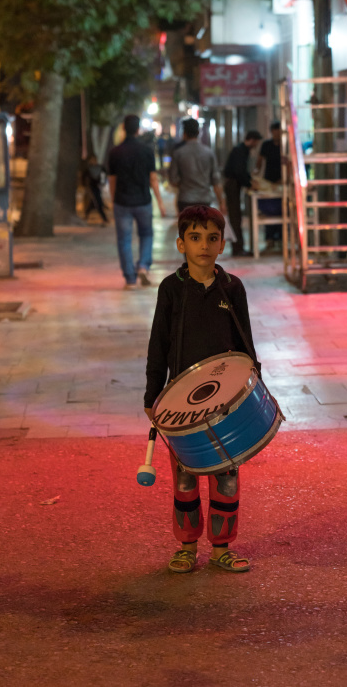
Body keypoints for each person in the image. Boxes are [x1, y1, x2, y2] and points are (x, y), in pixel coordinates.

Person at [144, 204, 261, 574]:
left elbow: (246, 341)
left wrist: (254, 381)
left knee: (226, 477)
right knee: (185, 479)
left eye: (212, 238)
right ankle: (187, 547)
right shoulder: (171, 290)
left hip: (226, 403)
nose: (204, 246)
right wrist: (152, 397)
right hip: (183, 405)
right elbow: (157, 346)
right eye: (195, 238)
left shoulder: (232, 288)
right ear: (181, 243)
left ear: (222, 244)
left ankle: (223, 547)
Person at [108, 115, 166, 290]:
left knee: (124, 240)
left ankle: (130, 279)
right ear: (138, 129)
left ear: (124, 129)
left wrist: (113, 200)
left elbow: (112, 180)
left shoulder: (115, 152)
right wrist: (160, 202)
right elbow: (153, 179)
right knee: (147, 235)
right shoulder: (147, 151)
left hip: (122, 201)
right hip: (143, 201)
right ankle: (143, 266)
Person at [168, 118, 226, 215]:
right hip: (205, 200)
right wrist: (222, 202)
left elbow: (173, 180)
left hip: (185, 199)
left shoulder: (178, 153)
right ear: (199, 133)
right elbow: (216, 181)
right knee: (203, 229)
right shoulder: (209, 153)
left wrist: (184, 185)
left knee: (187, 229)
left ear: (184, 133)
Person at [223, 130, 262, 256]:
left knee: (236, 216)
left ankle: (238, 247)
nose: (256, 146)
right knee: (235, 217)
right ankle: (237, 248)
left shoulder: (240, 150)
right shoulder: (241, 151)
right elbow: (239, 172)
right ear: (252, 140)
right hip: (232, 185)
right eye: (256, 143)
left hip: (234, 184)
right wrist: (250, 184)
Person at [255, 121, 289, 252]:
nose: (277, 134)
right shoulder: (266, 145)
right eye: (274, 131)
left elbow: (290, 163)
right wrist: (256, 175)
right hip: (268, 182)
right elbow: (260, 161)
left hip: (283, 182)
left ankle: (281, 240)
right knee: (268, 211)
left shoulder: (285, 146)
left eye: (279, 131)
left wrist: (286, 179)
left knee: (283, 211)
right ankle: (269, 240)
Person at [84, 154, 108, 226]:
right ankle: (104, 218)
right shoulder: (88, 169)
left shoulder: (100, 168)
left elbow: (103, 176)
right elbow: (84, 178)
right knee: (97, 201)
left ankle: (87, 215)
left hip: (98, 187)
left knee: (94, 202)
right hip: (91, 187)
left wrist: (102, 183)